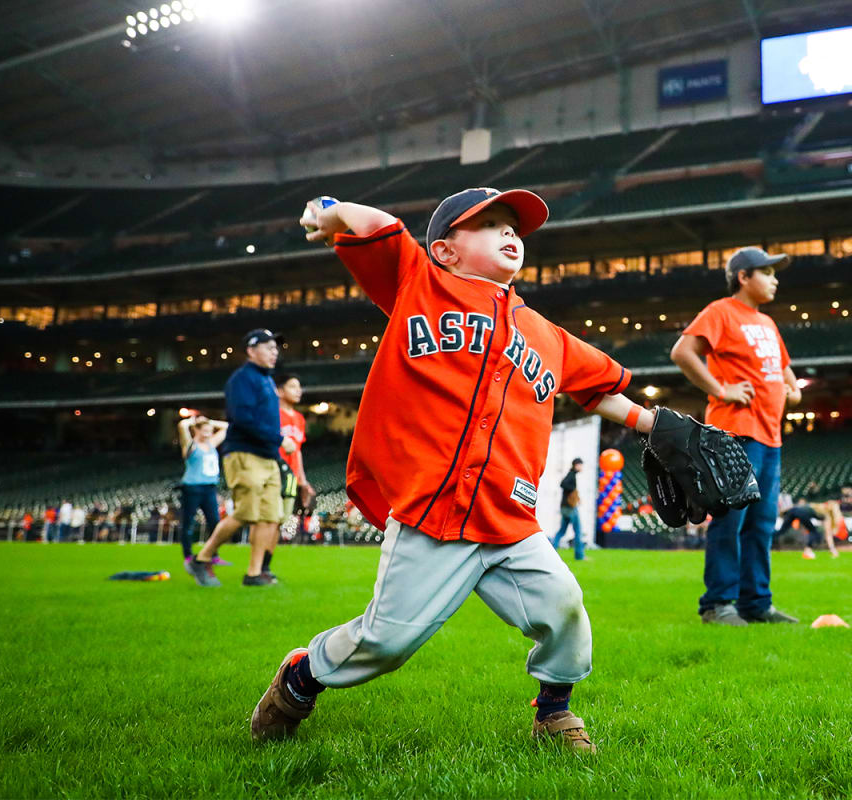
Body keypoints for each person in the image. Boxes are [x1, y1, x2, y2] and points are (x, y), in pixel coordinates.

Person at [249, 189, 681, 752]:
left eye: (515, 228)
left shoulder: (546, 334)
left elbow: (600, 391)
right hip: (434, 510)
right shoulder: (419, 284)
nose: (510, 234)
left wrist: (658, 425)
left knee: (565, 608)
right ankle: (298, 680)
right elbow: (380, 224)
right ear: (446, 250)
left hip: (510, 516)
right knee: (385, 643)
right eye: (491, 224)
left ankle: (554, 712)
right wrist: (333, 214)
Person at [671, 246, 802, 626]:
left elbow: (785, 368)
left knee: (762, 525)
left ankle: (756, 604)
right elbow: (683, 352)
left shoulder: (768, 324)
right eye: (768, 272)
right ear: (743, 277)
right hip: (735, 434)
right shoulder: (721, 311)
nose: (775, 279)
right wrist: (720, 389)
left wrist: (794, 389)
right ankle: (717, 604)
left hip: (770, 435)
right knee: (731, 521)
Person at [188, 329, 286, 587]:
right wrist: (278, 439)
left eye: (276, 348)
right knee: (245, 512)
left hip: (267, 456)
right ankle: (202, 558)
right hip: (245, 453)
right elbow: (242, 419)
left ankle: (254, 573)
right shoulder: (242, 378)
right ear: (251, 351)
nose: (274, 352)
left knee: (269, 516)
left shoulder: (266, 379)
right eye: (268, 347)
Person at [177, 413, 228, 571]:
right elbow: (182, 426)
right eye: (204, 430)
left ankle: (213, 554)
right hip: (192, 488)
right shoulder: (190, 445)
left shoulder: (212, 443)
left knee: (215, 523)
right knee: (188, 523)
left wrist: (210, 421)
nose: (208, 433)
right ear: (196, 430)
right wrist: (193, 421)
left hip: (209, 488)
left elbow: (228, 427)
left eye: (210, 430)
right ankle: (188, 555)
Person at [276, 373, 316, 565]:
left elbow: (297, 451)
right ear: (279, 390)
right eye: (293, 386)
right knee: (269, 517)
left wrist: (303, 480)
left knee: (281, 517)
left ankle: (266, 560)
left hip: (291, 475)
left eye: (299, 387)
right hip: (273, 470)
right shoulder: (273, 413)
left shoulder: (299, 418)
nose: (298, 390)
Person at [551, 458, 586, 561]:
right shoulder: (571, 475)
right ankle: (580, 556)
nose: (581, 467)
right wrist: (573, 491)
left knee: (561, 531)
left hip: (565, 508)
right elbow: (563, 484)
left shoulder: (571, 475)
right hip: (570, 508)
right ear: (576, 465)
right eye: (580, 465)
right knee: (578, 531)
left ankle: (552, 552)